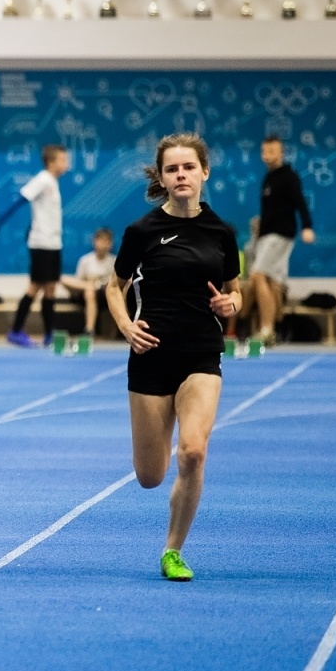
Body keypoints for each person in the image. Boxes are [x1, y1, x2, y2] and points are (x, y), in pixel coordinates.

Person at [105, 132, 241, 582]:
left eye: (188, 167)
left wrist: (231, 305)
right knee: (150, 475)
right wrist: (126, 327)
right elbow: (113, 286)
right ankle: (166, 487)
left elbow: (234, 291)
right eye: (171, 169)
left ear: (204, 172)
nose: (180, 175)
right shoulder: (141, 232)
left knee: (194, 453)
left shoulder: (222, 232)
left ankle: (172, 551)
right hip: (151, 354)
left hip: (202, 353)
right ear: (161, 178)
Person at [0, 144, 70, 348]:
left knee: (51, 288)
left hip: (54, 243)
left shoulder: (53, 181)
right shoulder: (43, 179)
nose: (66, 164)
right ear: (51, 162)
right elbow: (21, 199)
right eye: (62, 160)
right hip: (41, 243)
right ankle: (16, 331)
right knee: (35, 287)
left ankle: (49, 334)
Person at [247, 135, 314, 346]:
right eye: (265, 152)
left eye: (272, 151)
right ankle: (273, 330)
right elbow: (269, 210)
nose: (268, 156)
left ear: (281, 153)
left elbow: (300, 202)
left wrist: (307, 226)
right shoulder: (268, 179)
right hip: (267, 235)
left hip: (281, 234)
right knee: (273, 282)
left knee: (258, 275)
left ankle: (266, 328)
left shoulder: (288, 176)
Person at [60, 227, 116, 336]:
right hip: (84, 294)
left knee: (97, 291)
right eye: (100, 240)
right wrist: (90, 284)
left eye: (106, 241)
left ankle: (93, 330)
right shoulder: (85, 260)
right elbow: (78, 281)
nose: (103, 244)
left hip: (105, 295)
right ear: (94, 242)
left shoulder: (114, 261)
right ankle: (89, 330)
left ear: (111, 244)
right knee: (87, 290)